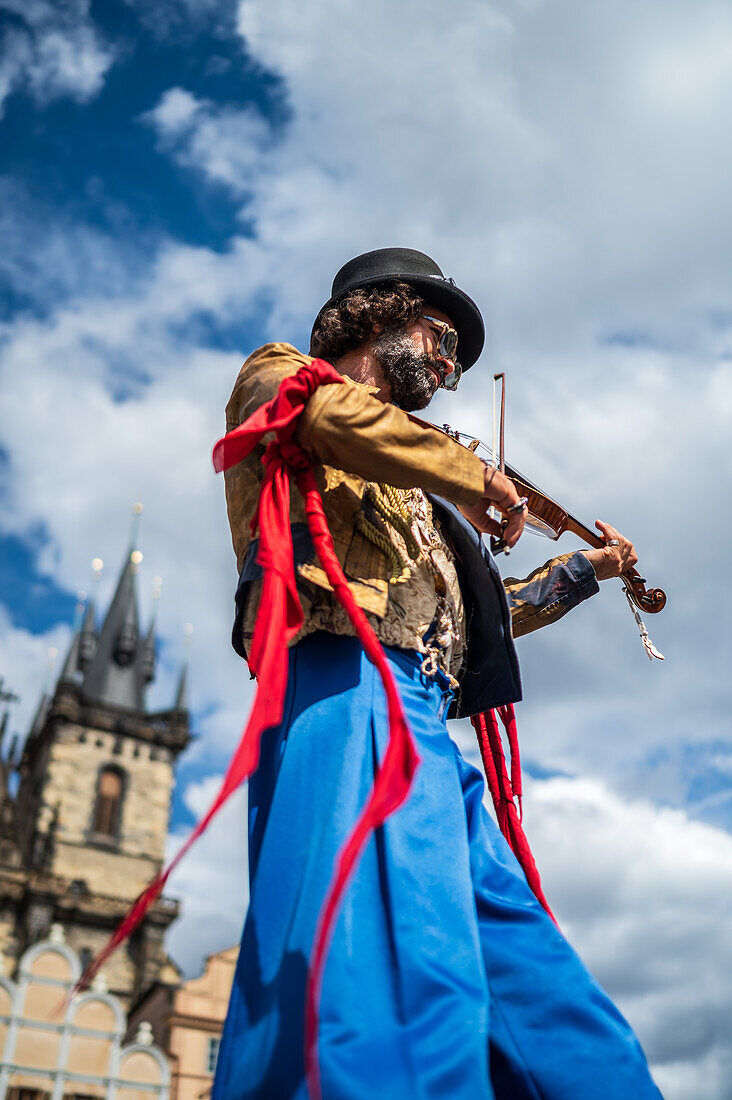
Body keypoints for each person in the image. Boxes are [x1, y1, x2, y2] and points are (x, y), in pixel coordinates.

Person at [212, 249, 661, 1099]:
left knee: (541, 995)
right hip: (345, 688)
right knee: (367, 979)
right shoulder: (280, 379)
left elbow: (477, 620)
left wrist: (589, 570)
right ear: (376, 314)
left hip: (421, 720)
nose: (452, 369)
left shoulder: (423, 485)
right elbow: (329, 418)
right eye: (443, 340)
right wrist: (467, 474)